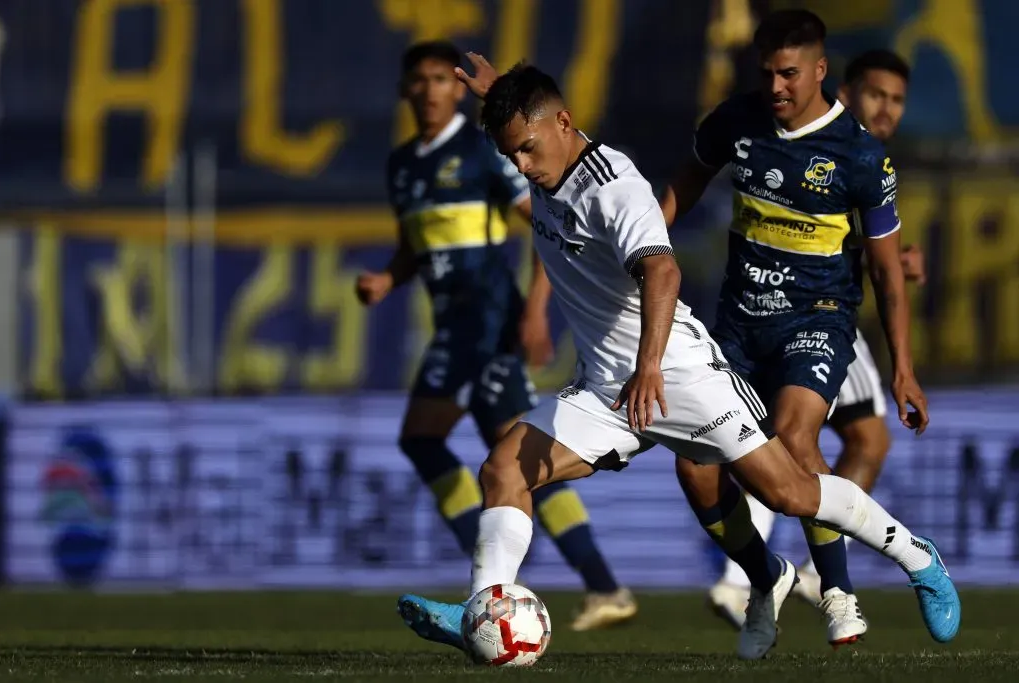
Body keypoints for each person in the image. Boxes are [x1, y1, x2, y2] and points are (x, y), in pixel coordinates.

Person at [396, 58, 959, 662]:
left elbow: (663, 270)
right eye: (513, 156)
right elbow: (524, 117)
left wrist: (649, 366)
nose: (523, 167)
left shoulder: (615, 188)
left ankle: (917, 556)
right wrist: (498, 96)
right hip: (605, 389)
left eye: (529, 151)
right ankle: (485, 607)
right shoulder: (537, 146)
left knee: (789, 493)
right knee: (504, 469)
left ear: (565, 123)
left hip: (679, 374)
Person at [659, 10, 941, 646]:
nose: (777, 87)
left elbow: (889, 276)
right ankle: (765, 578)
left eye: (790, 73)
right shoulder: (738, 120)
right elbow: (688, 179)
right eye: (768, 74)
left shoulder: (861, 156)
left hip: (817, 320)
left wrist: (903, 368)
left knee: (795, 439)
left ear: (819, 71)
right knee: (695, 470)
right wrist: (645, 243)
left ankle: (839, 594)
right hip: (738, 320)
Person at [354, 41, 636, 631]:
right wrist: (389, 277)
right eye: (420, 80)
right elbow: (417, 245)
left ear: (456, 89)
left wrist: (535, 312)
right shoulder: (402, 164)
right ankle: (593, 584)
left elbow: (546, 225)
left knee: (452, 443)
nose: (430, 90)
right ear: (406, 90)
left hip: (488, 323)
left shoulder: (485, 151)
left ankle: (511, 576)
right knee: (505, 456)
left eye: (440, 78)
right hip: (453, 326)